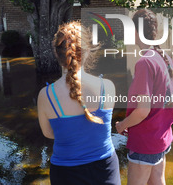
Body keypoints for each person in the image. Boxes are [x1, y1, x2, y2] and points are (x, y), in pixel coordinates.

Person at [37, 21, 121, 185]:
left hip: (65, 174)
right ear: (88, 51)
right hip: (105, 169)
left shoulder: (46, 95)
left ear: (56, 52)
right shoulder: (107, 87)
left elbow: (48, 133)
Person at [115, 9, 173, 185]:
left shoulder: (145, 62)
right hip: (162, 137)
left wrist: (122, 125)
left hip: (146, 141)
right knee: (157, 181)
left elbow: (143, 110)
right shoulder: (164, 57)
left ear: (135, 32)